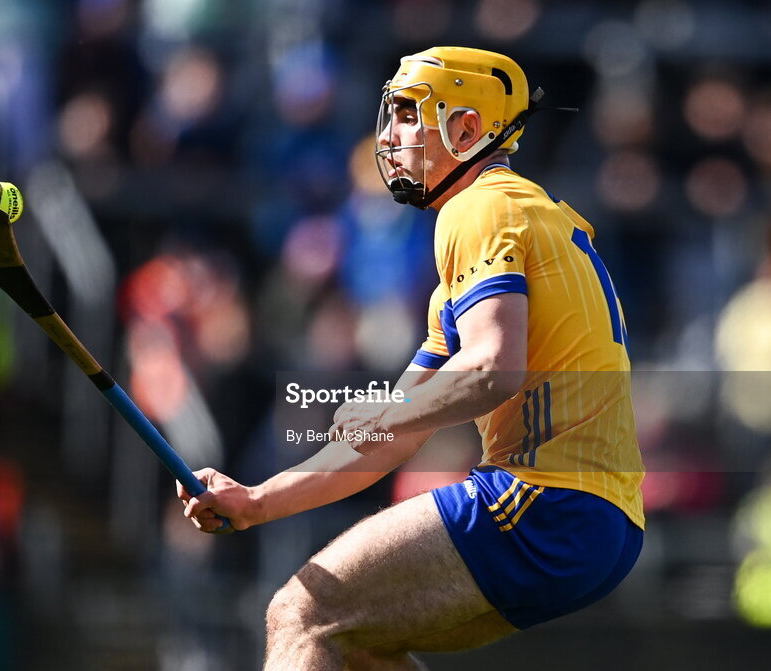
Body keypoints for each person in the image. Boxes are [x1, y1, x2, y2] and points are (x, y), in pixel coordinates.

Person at [178, 46, 645, 670]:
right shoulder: (508, 225)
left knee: (298, 613)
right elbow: (394, 438)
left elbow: (490, 369)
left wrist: (385, 411)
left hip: (547, 500)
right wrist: (258, 500)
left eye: (407, 114)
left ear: (468, 130)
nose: (389, 134)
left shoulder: (479, 206)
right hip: (606, 524)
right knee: (358, 644)